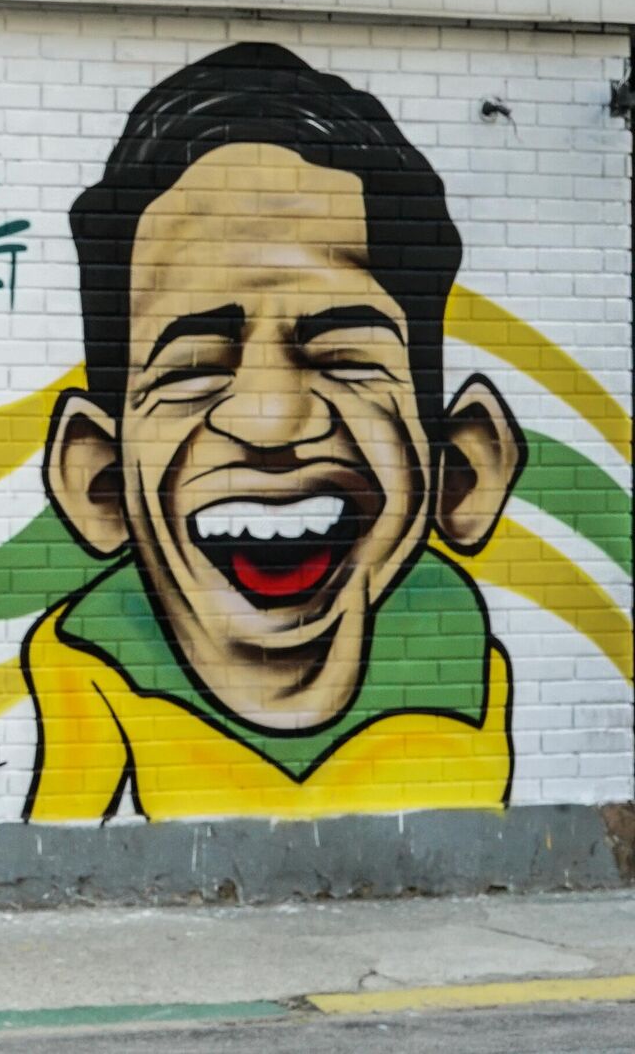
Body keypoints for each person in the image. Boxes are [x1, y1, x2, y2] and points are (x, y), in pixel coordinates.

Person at [26, 43, 525, 821]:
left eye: (343, 355)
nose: (272, 418)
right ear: (99, 482)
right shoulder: (94, 659)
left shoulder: (462, 655)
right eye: (193, 365)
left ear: (463, 469)